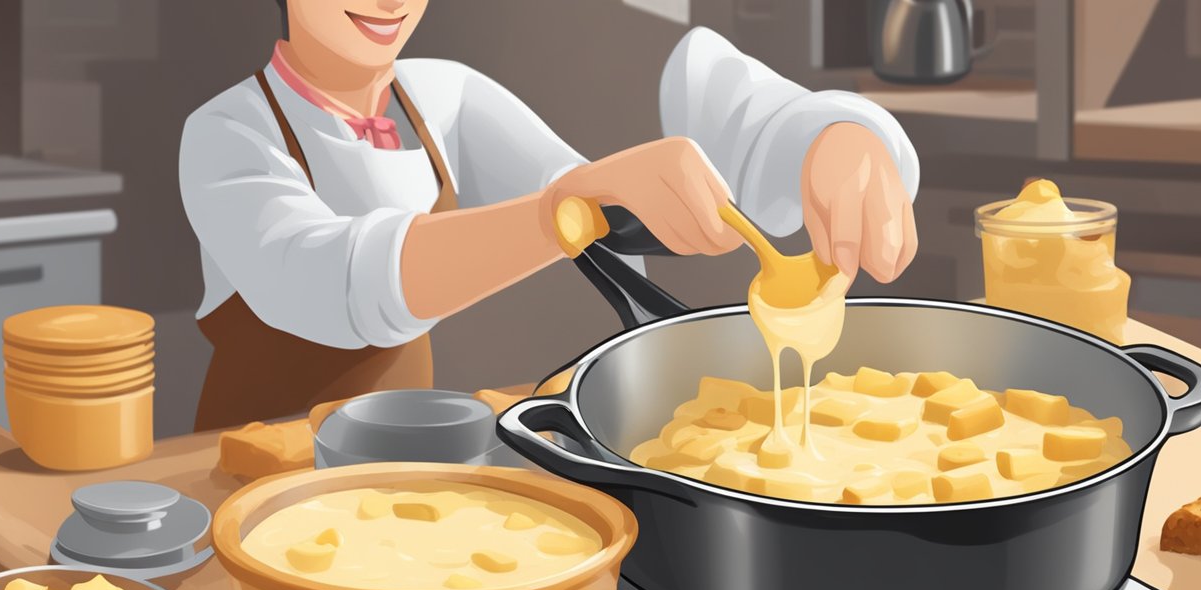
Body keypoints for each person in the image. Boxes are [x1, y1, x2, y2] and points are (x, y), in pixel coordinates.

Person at [179, 1, 919, 431]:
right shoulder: (226, 133)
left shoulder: (443, 96)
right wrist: (562, 211)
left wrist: (833, 136)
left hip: (408, 474)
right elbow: (335, 283)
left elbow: (584, 177)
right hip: (253, 484)